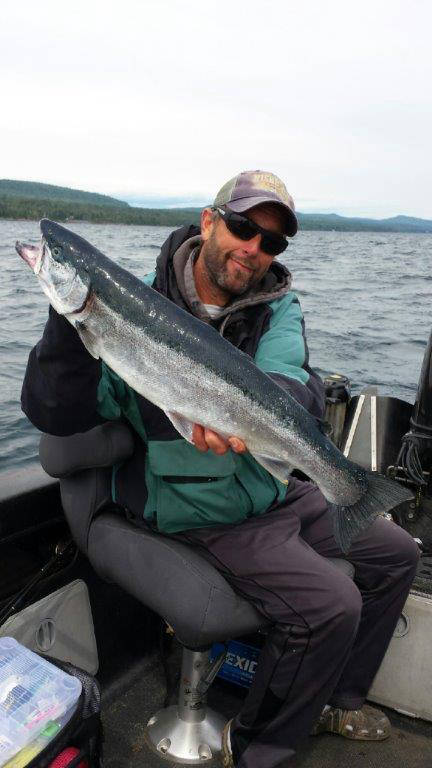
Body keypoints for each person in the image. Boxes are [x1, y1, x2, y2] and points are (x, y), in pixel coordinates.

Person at [21, 170, 419, 768]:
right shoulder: (133, 303)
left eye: (271, 241)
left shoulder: (276, 307)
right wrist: (68, 318)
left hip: (270, 489)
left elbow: (289, 378)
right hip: (198, 508)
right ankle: (257, 747)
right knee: (333, 602)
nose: (253, 248)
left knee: (397, 555)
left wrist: (252, 420)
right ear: (209, 222)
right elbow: (57, 410)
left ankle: (337, 699)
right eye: (242, 227)